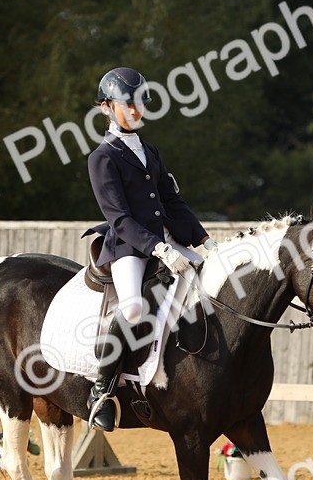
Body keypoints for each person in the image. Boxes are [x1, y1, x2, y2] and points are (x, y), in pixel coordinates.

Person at [83, 66, 216, 431]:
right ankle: (102, 390)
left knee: (212, 283)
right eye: (128, 104)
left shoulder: (150, 151)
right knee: (133, 309)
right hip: (128, 249)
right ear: (106, 107)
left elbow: (173, 203)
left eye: (141, 102)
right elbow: (119, 218)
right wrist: (159, 249)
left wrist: (204, 240)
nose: (136, 110)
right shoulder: (102, 158)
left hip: (167, 242)